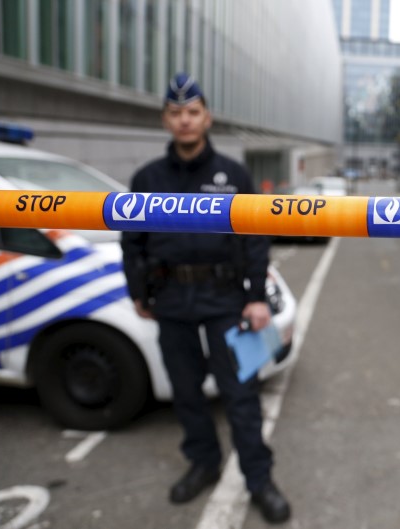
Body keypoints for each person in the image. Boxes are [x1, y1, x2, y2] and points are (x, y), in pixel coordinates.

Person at [120, 73, 291, 524]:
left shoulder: (233, 176)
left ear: (207, 117)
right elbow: (131, 240)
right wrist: (138, 290)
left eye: (192, 112)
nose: (184, 121)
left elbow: (255, 237)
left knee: (241, 395)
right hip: (172, 299)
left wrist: (256, 297)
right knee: (186, 393)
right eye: (176, 113)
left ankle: (259, 479)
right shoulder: (148, 178)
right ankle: (204, 463)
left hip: (225, 301)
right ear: (165, 119)